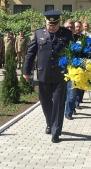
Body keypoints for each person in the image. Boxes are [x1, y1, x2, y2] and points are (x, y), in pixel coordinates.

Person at [23, 10, 74, 143]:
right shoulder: (39, 33)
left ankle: (55, 132)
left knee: (58, 103)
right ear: (46, 23)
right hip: (43, 74)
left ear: (59, 22)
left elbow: (74, 53)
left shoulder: (67, 34)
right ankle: (49, 123)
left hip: (61, 75)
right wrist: (26, 71)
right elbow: (31, 53)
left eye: (54, 24)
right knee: (45, 102)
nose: (51, 27)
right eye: (49, 24)